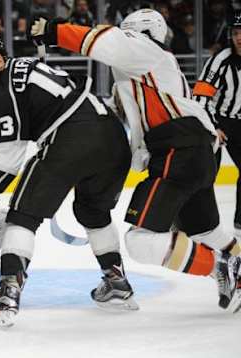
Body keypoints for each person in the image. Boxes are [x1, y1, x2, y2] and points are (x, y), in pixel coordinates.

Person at [30, 8, 241, 313]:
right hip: (193, 152)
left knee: (141, 242)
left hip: (177, 151)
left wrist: (55, 31)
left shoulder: (145, 50)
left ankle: (221, 269)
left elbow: (110, 41)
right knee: (207, 231)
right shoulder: (144, 72)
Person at [0, 31, 138, 328]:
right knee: (92, 211)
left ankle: (7, 295)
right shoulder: (27, 65)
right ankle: (117, 283)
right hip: (113, 134)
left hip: (72, 135)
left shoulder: (2, 94)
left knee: (22, 215)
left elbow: (5, 163)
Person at [194, 11, 241, 239]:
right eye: (236, 32)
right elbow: (201, 95)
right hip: (219, 121)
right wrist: (213, 126)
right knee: (206, 175)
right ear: (230, 35)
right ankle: (202, 225)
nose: (240, 37)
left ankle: (240, 222)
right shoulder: (221, 60)